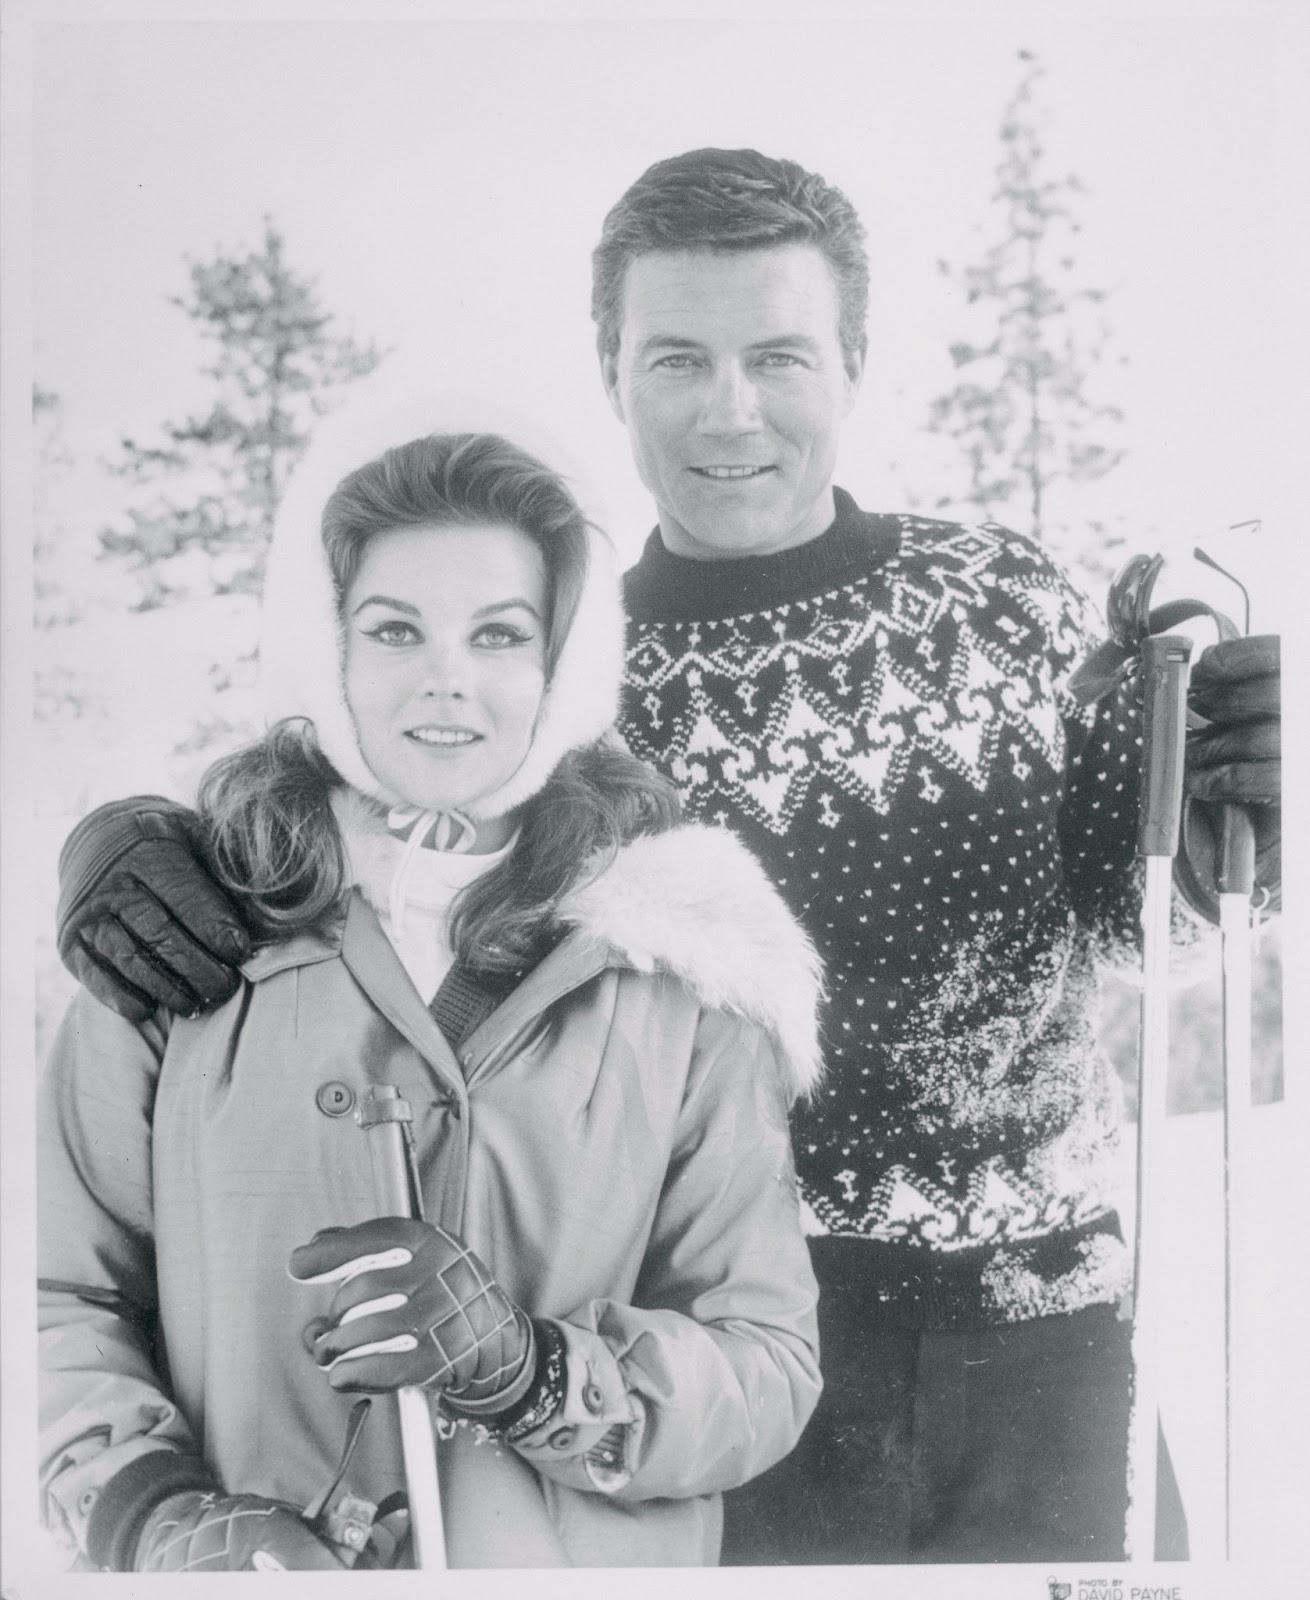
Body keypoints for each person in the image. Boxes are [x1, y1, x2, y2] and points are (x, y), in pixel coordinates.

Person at [53, 150, 1282, 1564]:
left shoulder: (994, 596)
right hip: (732, 1355)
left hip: (1039, 1327)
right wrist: (142, 843)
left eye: (776, 355)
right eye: (676, 358)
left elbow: (1124, 918)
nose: (728, 410)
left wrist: (1213, 831)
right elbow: (388, 834)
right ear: (611, 367)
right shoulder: (571, 684)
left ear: (852, 361)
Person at [39, 426, 826, 1572]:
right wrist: (163, 1518)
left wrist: (532, 1370)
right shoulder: (177, 936)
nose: (445, 674)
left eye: (499, 634)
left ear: (560, 666)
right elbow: (53, 1297)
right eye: (394, 627)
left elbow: (763, 1362)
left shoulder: (681, 971)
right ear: (332, 651)